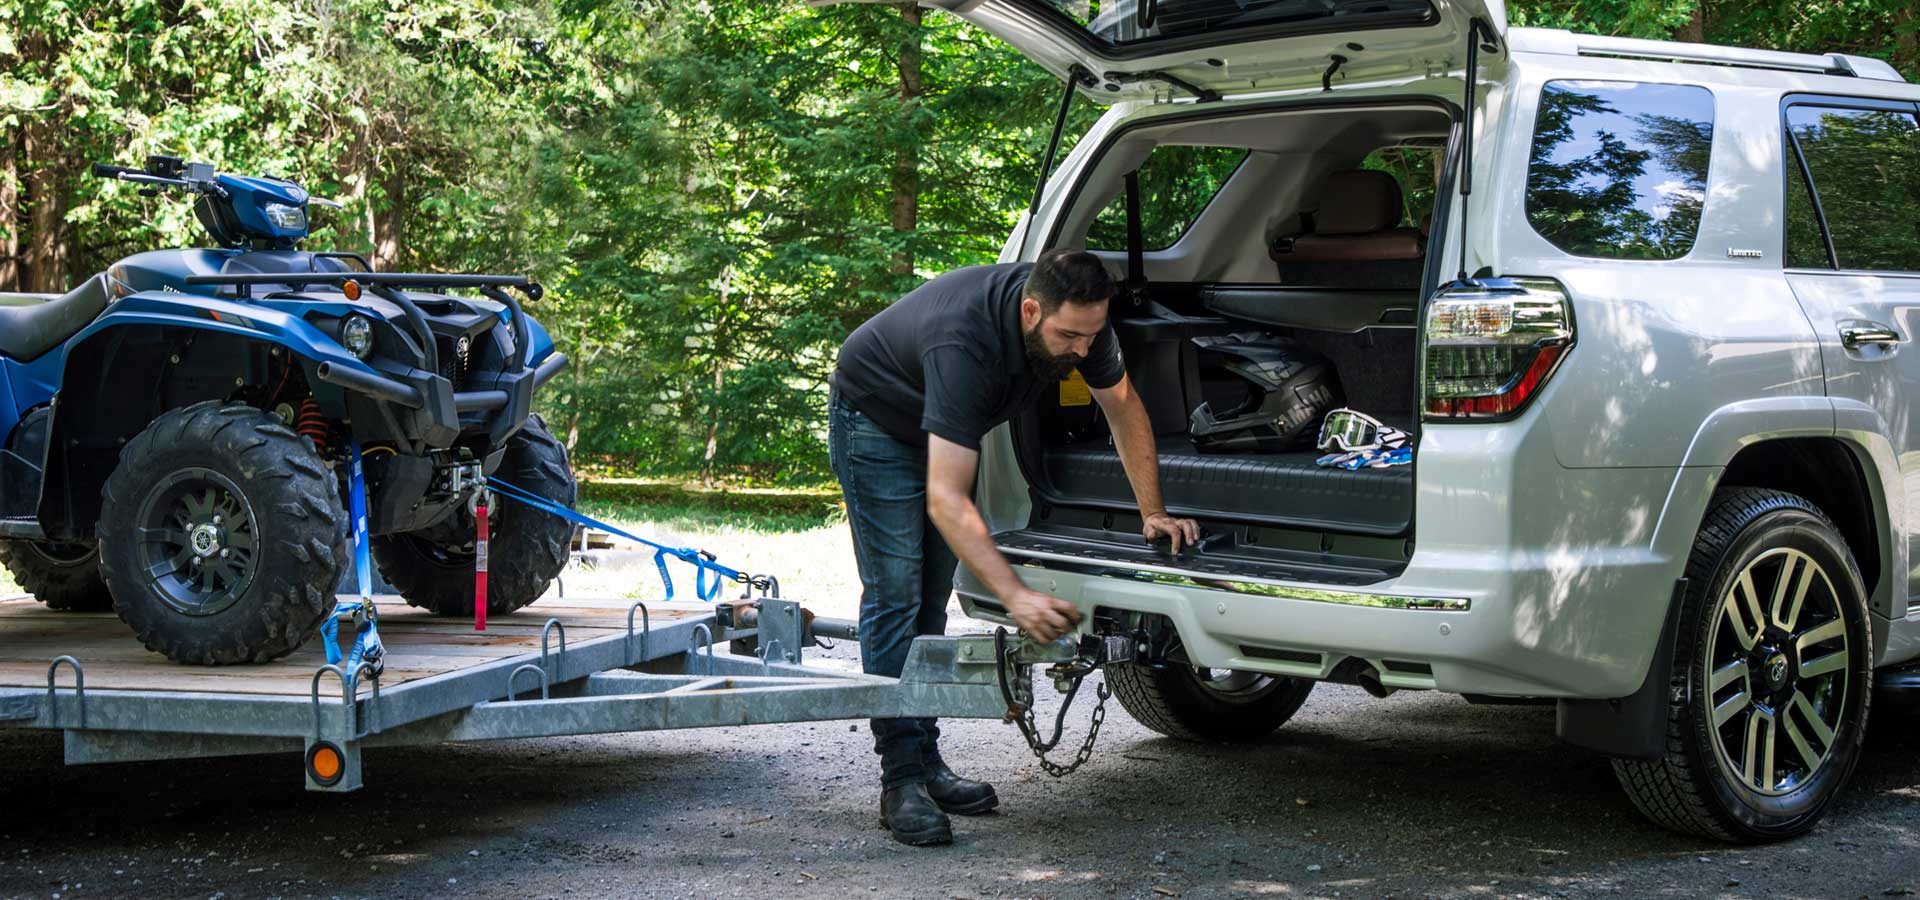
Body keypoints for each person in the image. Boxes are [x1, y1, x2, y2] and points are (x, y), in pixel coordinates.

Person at [828, 248, 1201, 846]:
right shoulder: (964, 344)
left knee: (929, 601)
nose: (1082, 350)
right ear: (1031, 312)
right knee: (897, 595)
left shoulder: (1084, 328)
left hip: (944, 428)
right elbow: (947, 501)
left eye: (1092, 334)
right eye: (1069, 336)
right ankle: (900, 780)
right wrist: (1017, 596)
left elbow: (1123, 406)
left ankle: (926, 764)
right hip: (877, 419)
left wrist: (1152, 511)